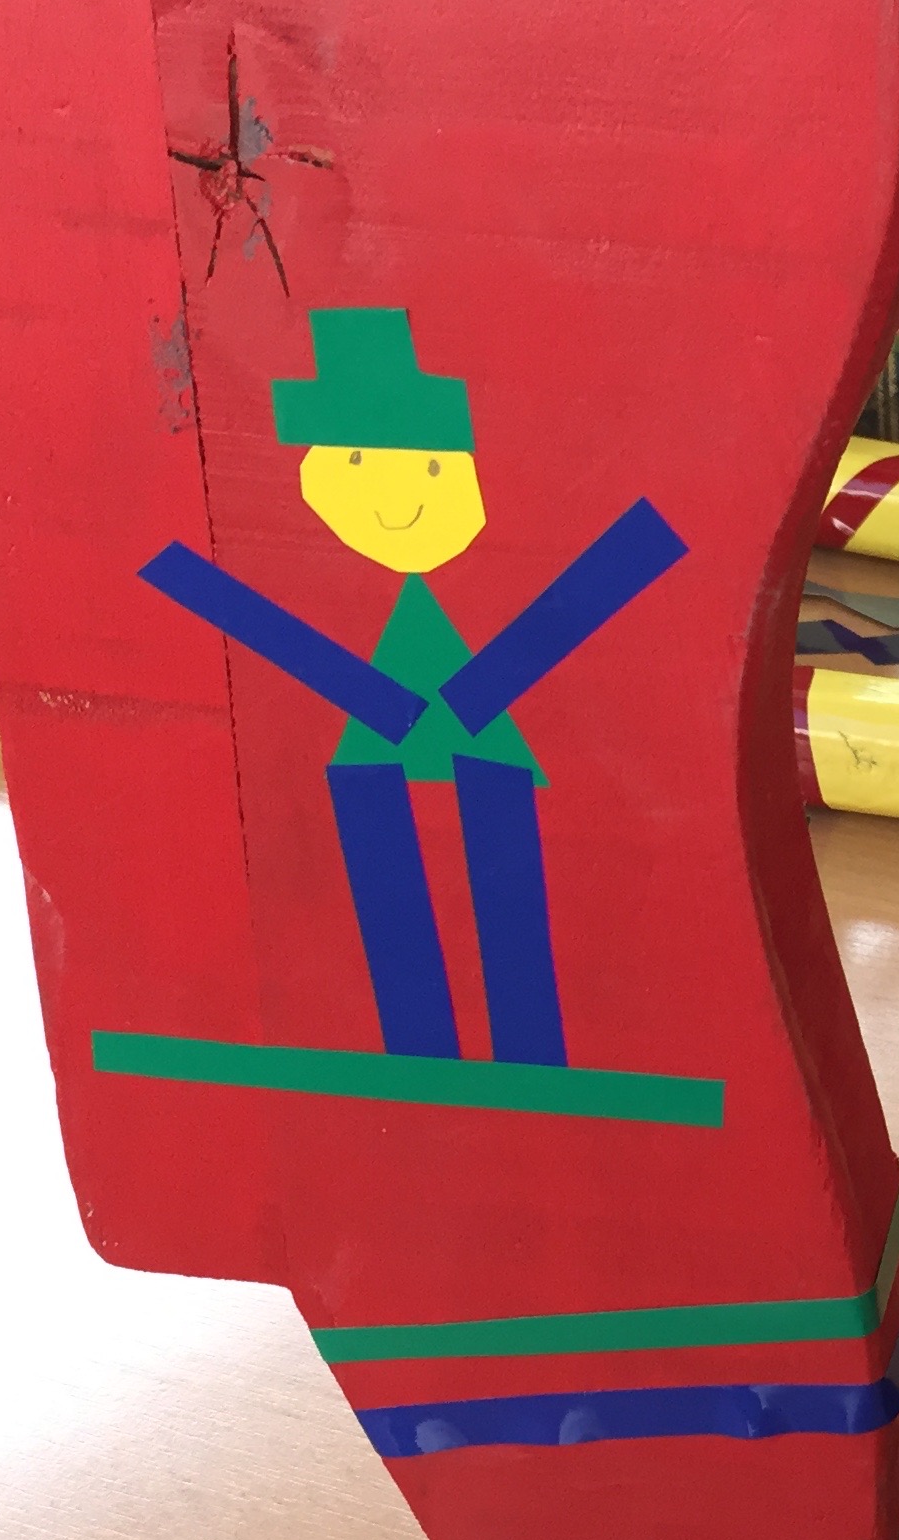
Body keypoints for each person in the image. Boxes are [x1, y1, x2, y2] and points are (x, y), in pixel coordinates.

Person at [137, 306, 684, 1066]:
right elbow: (253, 619)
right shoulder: (328, 588)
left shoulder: (482, 585)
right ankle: (422, 1051)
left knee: (504, 885)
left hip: (472, 735)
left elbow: (611, 573)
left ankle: (526, 1050)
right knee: (388, 881)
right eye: (357, 461)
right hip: (384, 741)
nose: (397, 500)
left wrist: (469, 693)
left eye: (430, 467)